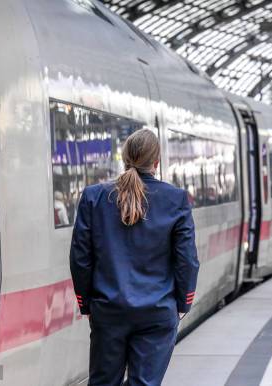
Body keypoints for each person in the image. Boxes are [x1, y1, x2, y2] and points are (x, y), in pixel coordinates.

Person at [70, 129, 200, 386]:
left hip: (108, 309)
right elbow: (186, 259)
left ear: (124, 159)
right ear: (156, 162)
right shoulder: (175, 199)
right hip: (157, 311)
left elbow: (80, 258)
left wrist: (86, 304)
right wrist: (184, 302)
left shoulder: (93, 197)